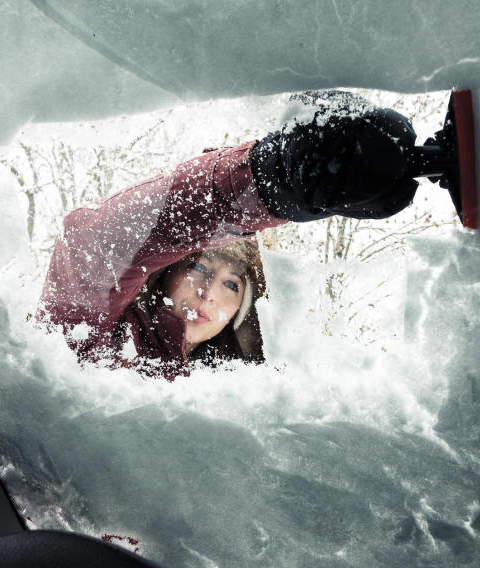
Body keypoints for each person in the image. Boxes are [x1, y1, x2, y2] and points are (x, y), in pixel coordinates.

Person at [37, 91, 420, 380]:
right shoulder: (97, 342)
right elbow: (92, 245)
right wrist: (264, 181)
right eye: (201, 268)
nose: (209, 293)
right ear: (165, 272)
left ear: (242, 311)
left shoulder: (238, 392)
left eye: (233, 285)